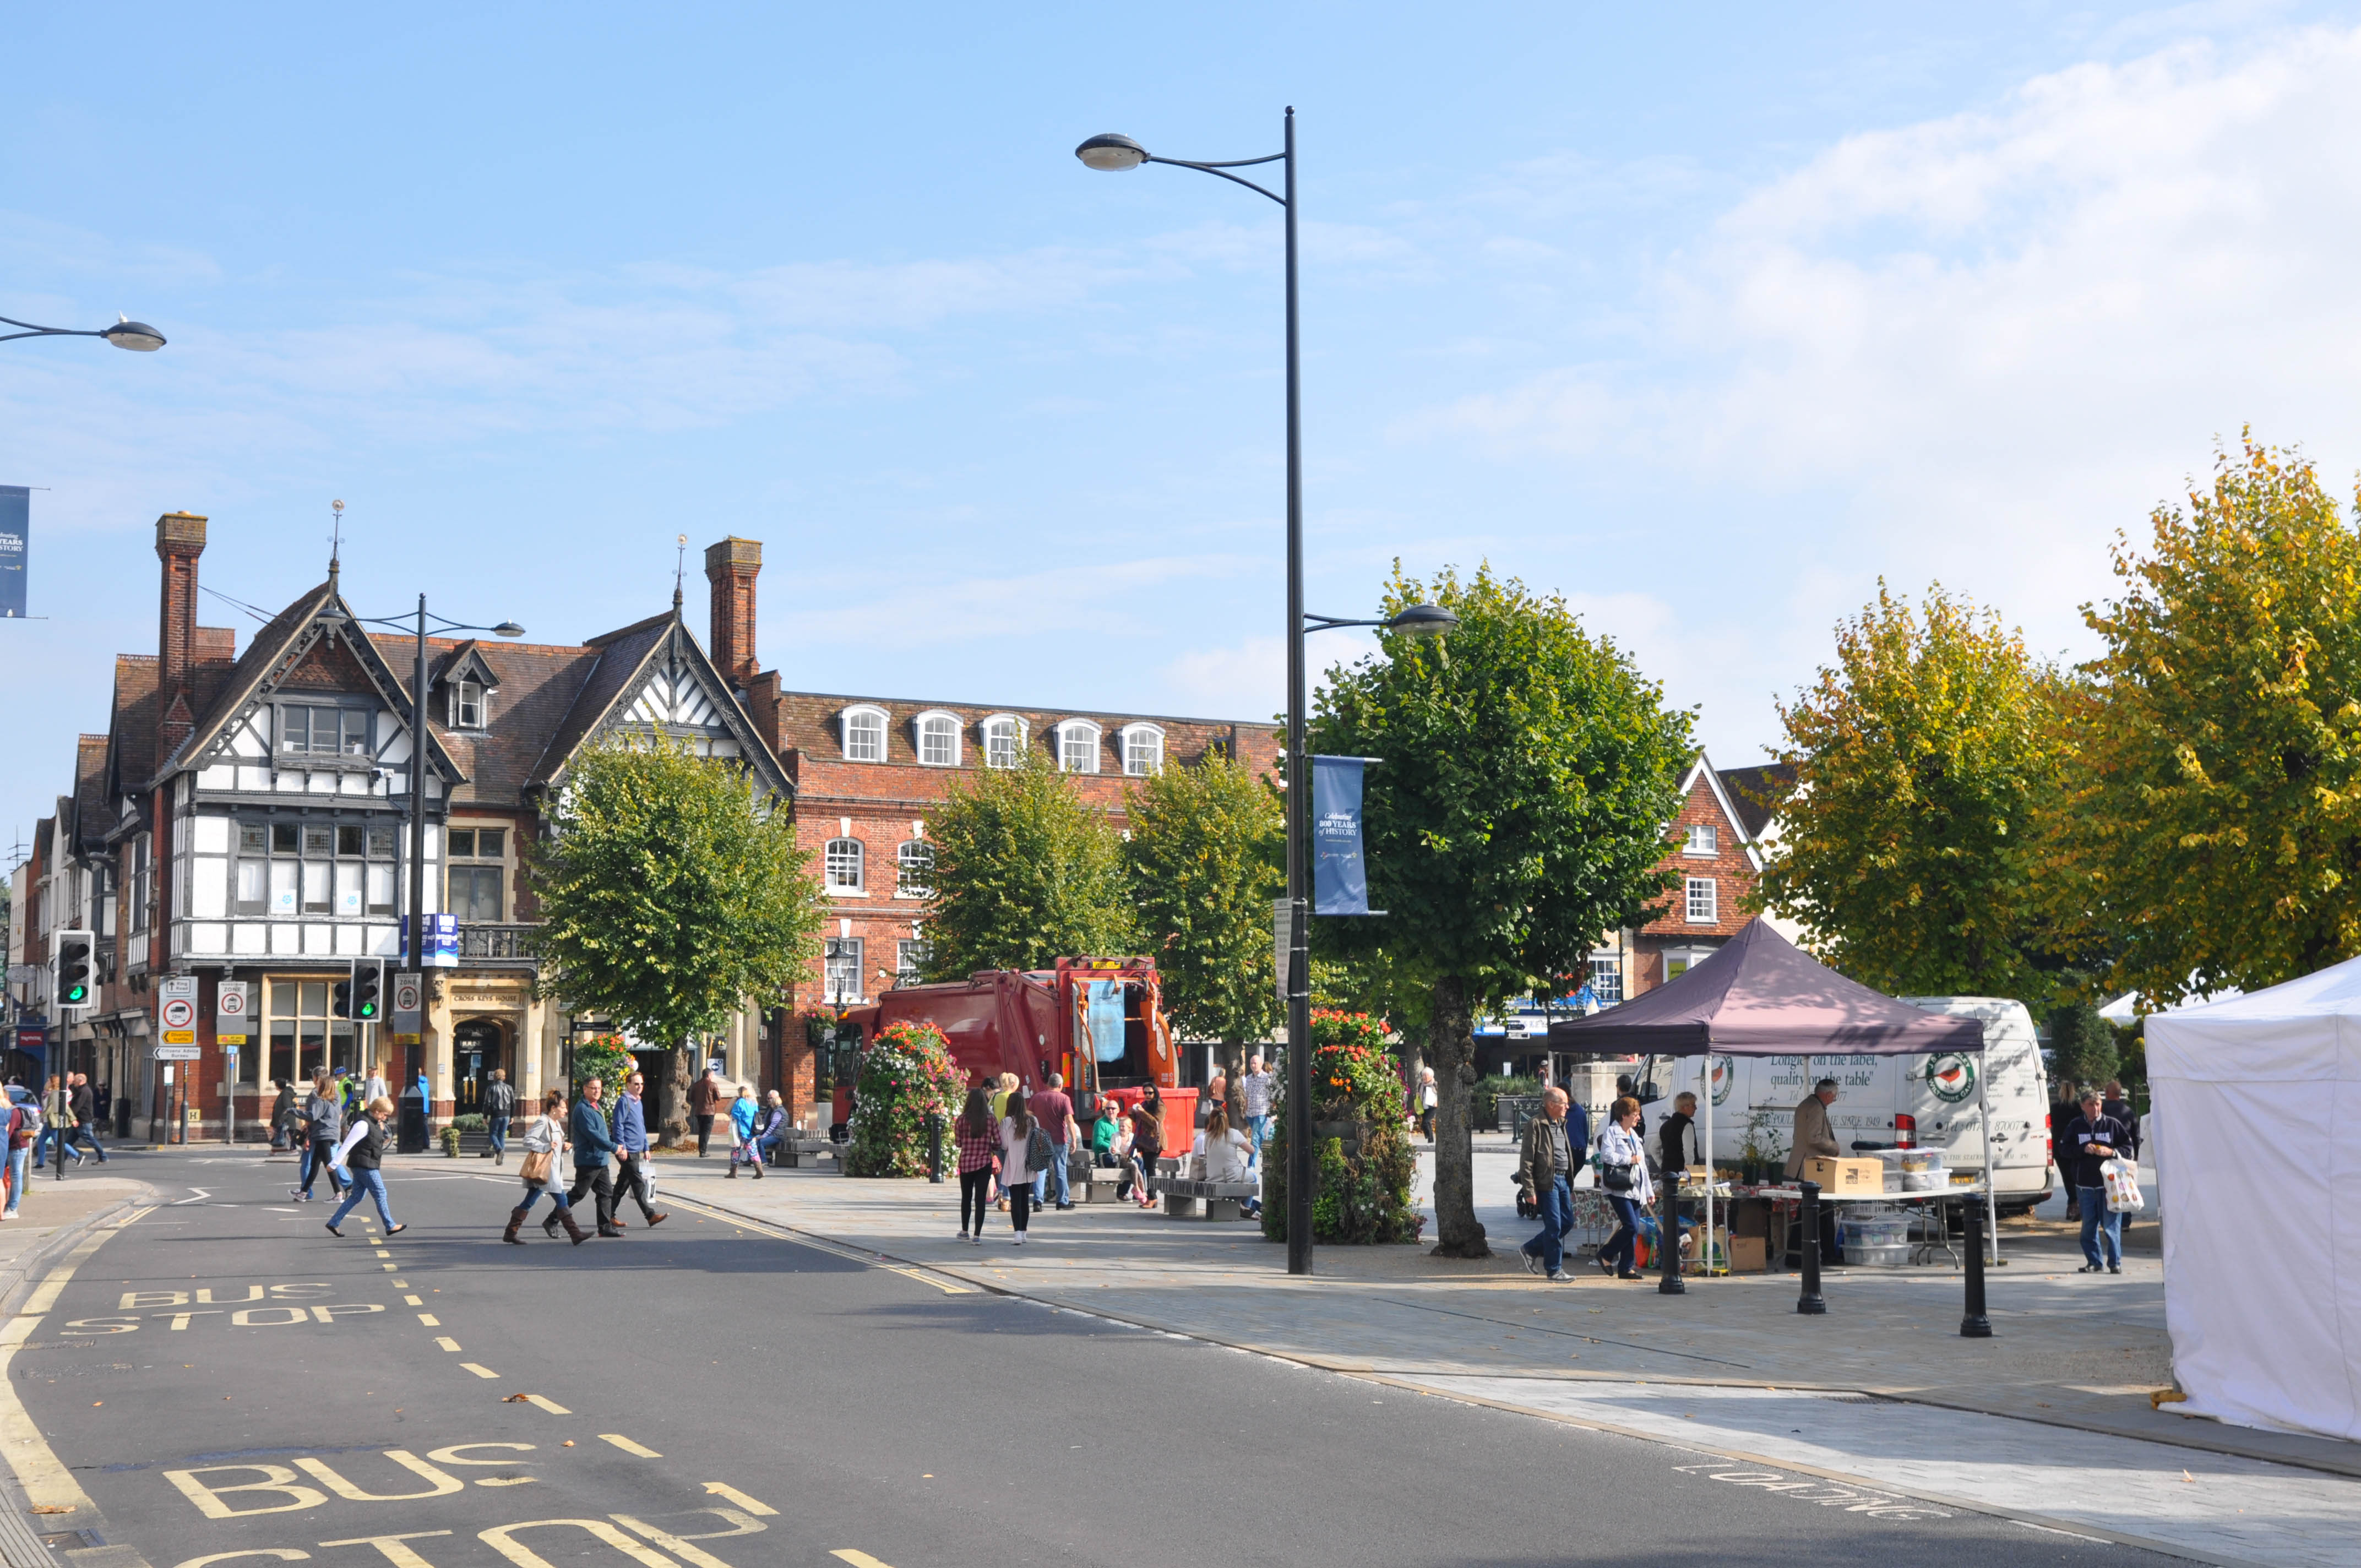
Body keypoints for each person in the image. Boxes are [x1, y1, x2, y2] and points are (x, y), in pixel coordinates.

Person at [2065, 1089, 2135, 1275]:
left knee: (2111, 1227)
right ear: (2083, 1106)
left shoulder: (2112, 1124)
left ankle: (2115, 1263)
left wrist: (2111, 1152)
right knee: (2088, 1228)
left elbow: (2128, 1148)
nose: (2095, 1109)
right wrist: (2082, 1149)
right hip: (2085, 1186)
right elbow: (2064, 1149)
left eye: (2098, 1105)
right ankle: (2094, 1262)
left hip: (2109, 1186)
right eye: (2091, 1105)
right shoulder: (2075, 1125)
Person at [509, 1087, 591, 1245]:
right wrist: (546, 1146)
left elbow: (556, 1146)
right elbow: (528, 1140)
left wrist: (565, 1147)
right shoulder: (543, 1121)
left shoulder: (556, 1123)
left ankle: (510, 1232)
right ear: (554, 1108)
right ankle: (575, 1234)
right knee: (562, 1199)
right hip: (546, 1170)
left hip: (551, 1170)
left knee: (529, 1202)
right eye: (563, 1107)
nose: (566, 1110)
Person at [1516, 1087, 1578, 1280]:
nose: (1568, 1107)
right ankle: (1554, 1269)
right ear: (1551, 1104)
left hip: (1563, 1180)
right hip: (1547, 1182)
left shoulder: (1561, 1123)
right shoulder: (1536, 1124)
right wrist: (1529, 1190)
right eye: (1564, 1103)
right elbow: (1527, 1159)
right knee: (1554, 1226)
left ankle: (1531, 1249)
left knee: (1567, 1222)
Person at [323, 1096, 404, 1238]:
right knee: (380, 1193)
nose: (385, 1118)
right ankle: (390, 1225)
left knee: (357, 1196)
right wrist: (334, 1164)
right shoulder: (363, 1125)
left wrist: (380, 1128)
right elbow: (347, 1144)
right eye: (384, 1114)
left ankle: (334, 1222)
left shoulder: (374, 1122)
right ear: (377, 1111)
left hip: (366, 1163)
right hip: (365, 1165)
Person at [1594, 1096, 1655, 1280]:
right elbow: (1606, 1156)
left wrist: (1649, 1191)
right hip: (1618, 1187)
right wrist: (1629, 1160)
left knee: (1634, 1229)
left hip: (1635, 1187)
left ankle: (1626, 1268)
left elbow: (1643, 1166)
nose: (1638, 1118)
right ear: (1624, 1115)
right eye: (1635, 1115)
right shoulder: (1612, 1132)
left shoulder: (1634, 1135)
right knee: (1630, 1225)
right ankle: (1606, 1254)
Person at [610, 1072, 669, 1229]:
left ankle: (608, 1214)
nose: (639, 1087)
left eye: (641, 1084)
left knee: (622, 1185)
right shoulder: (624, 1102)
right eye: (636, 1084)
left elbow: (641, 1126)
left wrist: (646, 1147)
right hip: (627, 1150)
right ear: (628, 1085)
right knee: (637, 1182)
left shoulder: (638, 1102)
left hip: (636, 1149)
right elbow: (618, 1125)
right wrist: (622, 1147)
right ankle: (650, 1215)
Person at [567, 1076, 622, 1238]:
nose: (597, 1091)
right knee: (578, 1193)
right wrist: (614, 1148)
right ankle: (552, 1220)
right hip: (589, 1160)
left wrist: (613, 1144)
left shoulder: (595, 1106)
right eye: (593, 1088)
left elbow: (602, 1133)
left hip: (600, 1159)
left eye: (599, 1088)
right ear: (585, 1089)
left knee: (606, 1193)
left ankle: (605, 1228)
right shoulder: (583, 1110)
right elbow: (593, 1135)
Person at [1194, 1104, 1259, 1218]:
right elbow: (1251, 1151)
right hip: (1231, 1174)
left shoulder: (1208, 1137)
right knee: (1253, 1178)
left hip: (1212, 1176)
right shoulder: (1233, 1133)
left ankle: (1241, 1205)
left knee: (1242, 1179)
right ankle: (1246, 1207)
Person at [291, 1069, 347, 1202]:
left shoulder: (320, 1100)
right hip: (332, 1133)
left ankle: (338, 1193)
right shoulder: (335, 1099)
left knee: (329, 1165)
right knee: (315, 1164)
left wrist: (293, 1111)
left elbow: (313, 1116)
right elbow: (339, 1115)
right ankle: (304, 1192)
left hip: (323, 1134)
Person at [954, 1087, 998, 1241]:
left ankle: (964, 1231)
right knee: (980, 1200)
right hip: (984, 1163)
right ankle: (977, 1235)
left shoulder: (961, 1119)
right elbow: (998, 1142)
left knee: (966, 1198)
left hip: (966, 1163)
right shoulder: (991, 1119)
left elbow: (958, 1143)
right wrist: (989, 1147)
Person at [999, 1090, 1040, 1243]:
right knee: (1024, 1199)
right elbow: (1038, 1140)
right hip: (1029, 1164)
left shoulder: (1007, 1122)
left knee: (1015, 1200)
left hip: (1013, 1163)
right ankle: (1024, 1233)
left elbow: (1004, 1145)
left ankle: (1017, 1234)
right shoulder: (1033, 1120)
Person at [1032, 1072, 1075, 1211]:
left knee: (1040, 1171)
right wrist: (1074, 1140)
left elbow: (1029, 1115)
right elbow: (1069, 1120)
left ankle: (1038, 1202)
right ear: (1060, 1085)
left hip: (1040, 1138)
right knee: (1060, 1170)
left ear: (1048, 1084)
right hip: (1058, 1139)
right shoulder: (1064, 1099)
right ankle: (1062, 1201)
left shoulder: (1037, 1097)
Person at [1783, 1079, 1841, 1179]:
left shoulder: (1805, 1104)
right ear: (1829, 1095)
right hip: (1809, 1164)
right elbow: (1814, 1138)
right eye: (1834, 1098)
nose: (1832, 1101)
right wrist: (1834, 1147)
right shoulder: (1816, 1108)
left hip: (1799, 1163)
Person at [1127, 1085, 1165, 1208]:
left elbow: (1155, 1123)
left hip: (1154, 1142)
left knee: (1151, 1169)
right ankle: (1151, 1198)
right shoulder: (1144, 1104)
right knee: (1148, 1169)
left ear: (1155, 1093)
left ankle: (1152, 1197)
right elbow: (1140, 1121)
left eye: (1150, 1093)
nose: (1147, 1095)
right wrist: (1132, 1114)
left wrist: (1142, 1112)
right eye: (1145, 1093)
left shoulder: (1160, 1106)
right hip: (1144, 1141)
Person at [1, 1089, 34, 1219]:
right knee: (12, 1176)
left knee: (16, 1176)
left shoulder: (13, 1112)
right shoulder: (11, 1110)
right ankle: (9, 1206)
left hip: (17, 1147)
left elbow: (8, 1133)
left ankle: (13, 1208)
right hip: (15, 1146)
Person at [1238, 1054, 1275, 1163]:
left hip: (1261, 1112)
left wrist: (1273, 1110)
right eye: (1251, 1063)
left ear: (1261, 1064)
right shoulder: (1249, 1078)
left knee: (1255, 1138)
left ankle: (1251, 1165)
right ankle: (1270, 1158)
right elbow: (1247, 1096)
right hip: (1250, 1113)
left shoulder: (1267, 1078)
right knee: (1260, 1137)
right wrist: (1246, 1110)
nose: (1253, 1066)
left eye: (1255, 1063)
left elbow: (1272, 1095)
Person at [67, 1072, 108, 1163]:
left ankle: (103, 1157)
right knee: (68, 1142)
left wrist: (69, 1116)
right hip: (78, 1120)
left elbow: (77, 1106)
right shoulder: (81, 1090)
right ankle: (61, 1160)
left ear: (81, 1081)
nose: (74, 1082)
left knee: (91, 1140)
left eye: (75, 1081)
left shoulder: (84, 1091)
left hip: (83, 1120)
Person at [1658, 1091, 1701, 1177]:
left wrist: (1661, 1164)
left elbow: (1653, 1148)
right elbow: (1688, 1151)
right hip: (1682, 1175)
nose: (1696, 1108)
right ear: (1685, 1107)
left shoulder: (1665, 1126)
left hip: (1666, 1174)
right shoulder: (1687, 1125)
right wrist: (1688, 1170)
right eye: (1693, 1105)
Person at [483, 1068, 516, 1167]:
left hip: (496, 1114)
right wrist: (512, 1116)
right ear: (504, 1077)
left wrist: (485, 1116)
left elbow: (487, 1103)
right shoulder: (509, 1088)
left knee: (493, 1135)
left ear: (494, 1077)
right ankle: (501, 1159)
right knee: (502, 1136)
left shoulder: (491, 1088)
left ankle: (499, 1150)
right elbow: (513, 1103)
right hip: (506, 1114)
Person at [726, 1084, 759, 1175]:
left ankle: (733, 1172)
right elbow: (756, 1113)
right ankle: (759, 1171)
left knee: (736, 1150)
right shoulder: (753, 1102)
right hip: (752, 1130)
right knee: (753, 1150)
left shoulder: (740, 1102)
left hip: (741, 1130)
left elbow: (735, 1114)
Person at [691, 1068, 723, 1157]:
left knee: (701, 1131)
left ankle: (701, 1150)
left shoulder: (696, 1085)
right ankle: (703, 1151)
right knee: (706, 1132)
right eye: (712, 1075)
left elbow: (692, 1098)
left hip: (699, 1111)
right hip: (709, 1111)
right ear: (709, 1075)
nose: (712, 1076)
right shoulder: (713, 1085)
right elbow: (718, 1098)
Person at [269, 1080, 297, 1151]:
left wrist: (282, 1119)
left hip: (286, 1120)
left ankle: (293, 1150)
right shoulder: (284, 1093)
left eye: (276, 1085)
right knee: (279, 1135)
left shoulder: (285, 1094)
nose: (275, 1086)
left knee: (286, 1136)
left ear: (278, 1086)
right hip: (282, 1120)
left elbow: (287, 1107)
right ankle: (274, 1151)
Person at [1417, 1066, 1438, 1141]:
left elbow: (1440, 1095)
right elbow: (1420, 1093)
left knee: (1426, 1122)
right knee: (1424, 1124)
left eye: (1426, 1075)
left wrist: (1437, 1102)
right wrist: (1418, 1095)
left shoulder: (1435, 1084)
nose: (1425, 1077)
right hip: (1424, 1107)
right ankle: (1430, 1139)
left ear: (1431, 1076)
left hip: (1432, 1107)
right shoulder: (1421, 1085)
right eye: (1423, 1075)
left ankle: (1430, 1139)